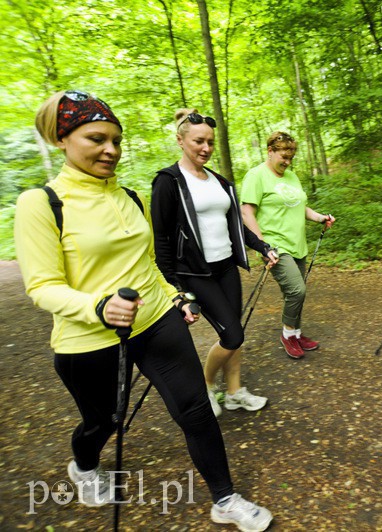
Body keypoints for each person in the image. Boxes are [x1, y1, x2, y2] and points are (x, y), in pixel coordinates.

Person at [15, 90, 271, 530]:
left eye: (116, 140)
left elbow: (148, 264)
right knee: (104, 421)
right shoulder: (42, 203)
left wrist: (173, 296)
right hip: (87, 338)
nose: (110, 150)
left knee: (196, 410)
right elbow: (42, 286)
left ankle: (225, 499)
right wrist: (98, 306)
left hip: (156, 322)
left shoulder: (130, 197)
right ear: (62, 140)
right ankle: (85, 467)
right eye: (96, 139)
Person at [151, 108, 278, 418]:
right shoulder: (168, 181)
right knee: (233, 335)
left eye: (210, 142)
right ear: (180, 140)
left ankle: (233, 393)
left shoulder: (219, 181)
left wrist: (262, 246)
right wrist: (172, 286)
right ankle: (206, 386)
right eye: (198, 141)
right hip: (195, 273)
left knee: (235, 334)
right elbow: (161, 238)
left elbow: (236, 225)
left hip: (226, 268)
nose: (206, 148)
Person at [240, 132, 334, 359]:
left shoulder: (291, 177)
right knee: (296, 290)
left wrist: (320, 217)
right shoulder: (256, 175)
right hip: (275, 245)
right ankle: (287, 334)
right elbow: (246, 212)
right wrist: (262, 246)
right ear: (270, 151)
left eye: (291, 157)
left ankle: (297, 334)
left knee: (296, 293)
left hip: (297, 244)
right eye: (284, 156)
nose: (288, 162)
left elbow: (299, 206)